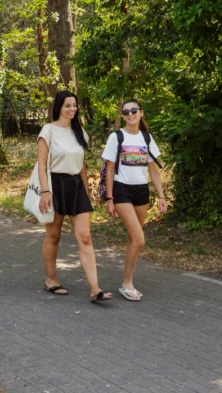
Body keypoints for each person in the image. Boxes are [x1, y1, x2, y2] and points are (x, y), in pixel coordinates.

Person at [38, 91, 112, 303]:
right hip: (55, 185)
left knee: (85, 237)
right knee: (54, 236)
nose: (72, 109)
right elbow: (42, 165)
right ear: (59, 107)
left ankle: (95, 289)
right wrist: (45, 192)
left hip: (76, 186)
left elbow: (81, 165)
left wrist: (87, 192)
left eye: (75, 106)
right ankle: (51, 280)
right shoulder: (48, 130)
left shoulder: (80, 132)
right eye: (67, 105)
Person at [102, 99, 168, 301]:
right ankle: (127, 283)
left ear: (141, 113)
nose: (130, 114)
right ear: (122, 115)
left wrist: (162, 195)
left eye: (134, 110)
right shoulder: (116, 136)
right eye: (126, 112)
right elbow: (110, 169)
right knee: (139, 239)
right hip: (122, 190)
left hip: (141, 192)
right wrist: (110, 198)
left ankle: (127, 281)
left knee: (133, 239)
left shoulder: (146, 138)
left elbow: (153, 170)